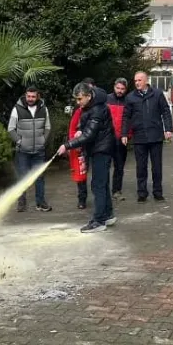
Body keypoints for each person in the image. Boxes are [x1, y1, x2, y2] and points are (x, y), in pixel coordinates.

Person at [57, 82, 118, 233]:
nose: (78, 103)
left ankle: (99, 221)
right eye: (76, 99)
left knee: (98, 185)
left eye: (79, 99)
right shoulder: (91, 106)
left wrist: (67, 145)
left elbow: (90, 134)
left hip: (101, 150)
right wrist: (80, 130)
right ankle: (107, 214)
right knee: (102, 183)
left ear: (89, 96)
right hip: (99, 148)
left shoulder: (97, 109)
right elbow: (88, 127)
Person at [121, 71, 173, 202]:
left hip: (155, 136)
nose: (137, 83)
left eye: (139, 80)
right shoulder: (130, 97)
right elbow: (126, 117)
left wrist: (168, 129)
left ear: (146, 81)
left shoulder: (157, 94)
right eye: (135, 81)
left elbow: (165, 111)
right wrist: (124, 133)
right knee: (141, 167)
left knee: (157, 166)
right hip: (139, 137)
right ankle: (142, 193)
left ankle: (158, 192)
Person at [7, 86, 52, 212]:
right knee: (22, 177)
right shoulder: (17, 109)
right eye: (28, 96)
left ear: (37, 96)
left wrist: (43, 140)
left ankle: (40, 202)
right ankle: (21, 203)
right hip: (23, 152)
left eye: (33, 96)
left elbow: (48, 127)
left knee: (40, 177)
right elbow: (11, 128)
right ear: (25, 96)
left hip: (39, 150)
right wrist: (20, 141)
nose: (30, 99)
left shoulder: (44, 109)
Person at [107, 78, 129, 200]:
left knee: (119, 166)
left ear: (125, 89)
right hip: (107, 139)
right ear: (114, 87)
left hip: (121, 139)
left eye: (122, 89)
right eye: (118, 88)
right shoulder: (106, 99)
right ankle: (103, 190)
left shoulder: (128, 101)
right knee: (104, 166)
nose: (120, 91)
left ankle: (116, 190)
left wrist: (127, 134)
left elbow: (129, 119)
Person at [67, 105, 88, 209]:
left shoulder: (97, 109)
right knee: (81, 174)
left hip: (94, 146)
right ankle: (82, 199)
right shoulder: (77, 111)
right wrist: (75, 144)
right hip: (80, 147)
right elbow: (72, 130)